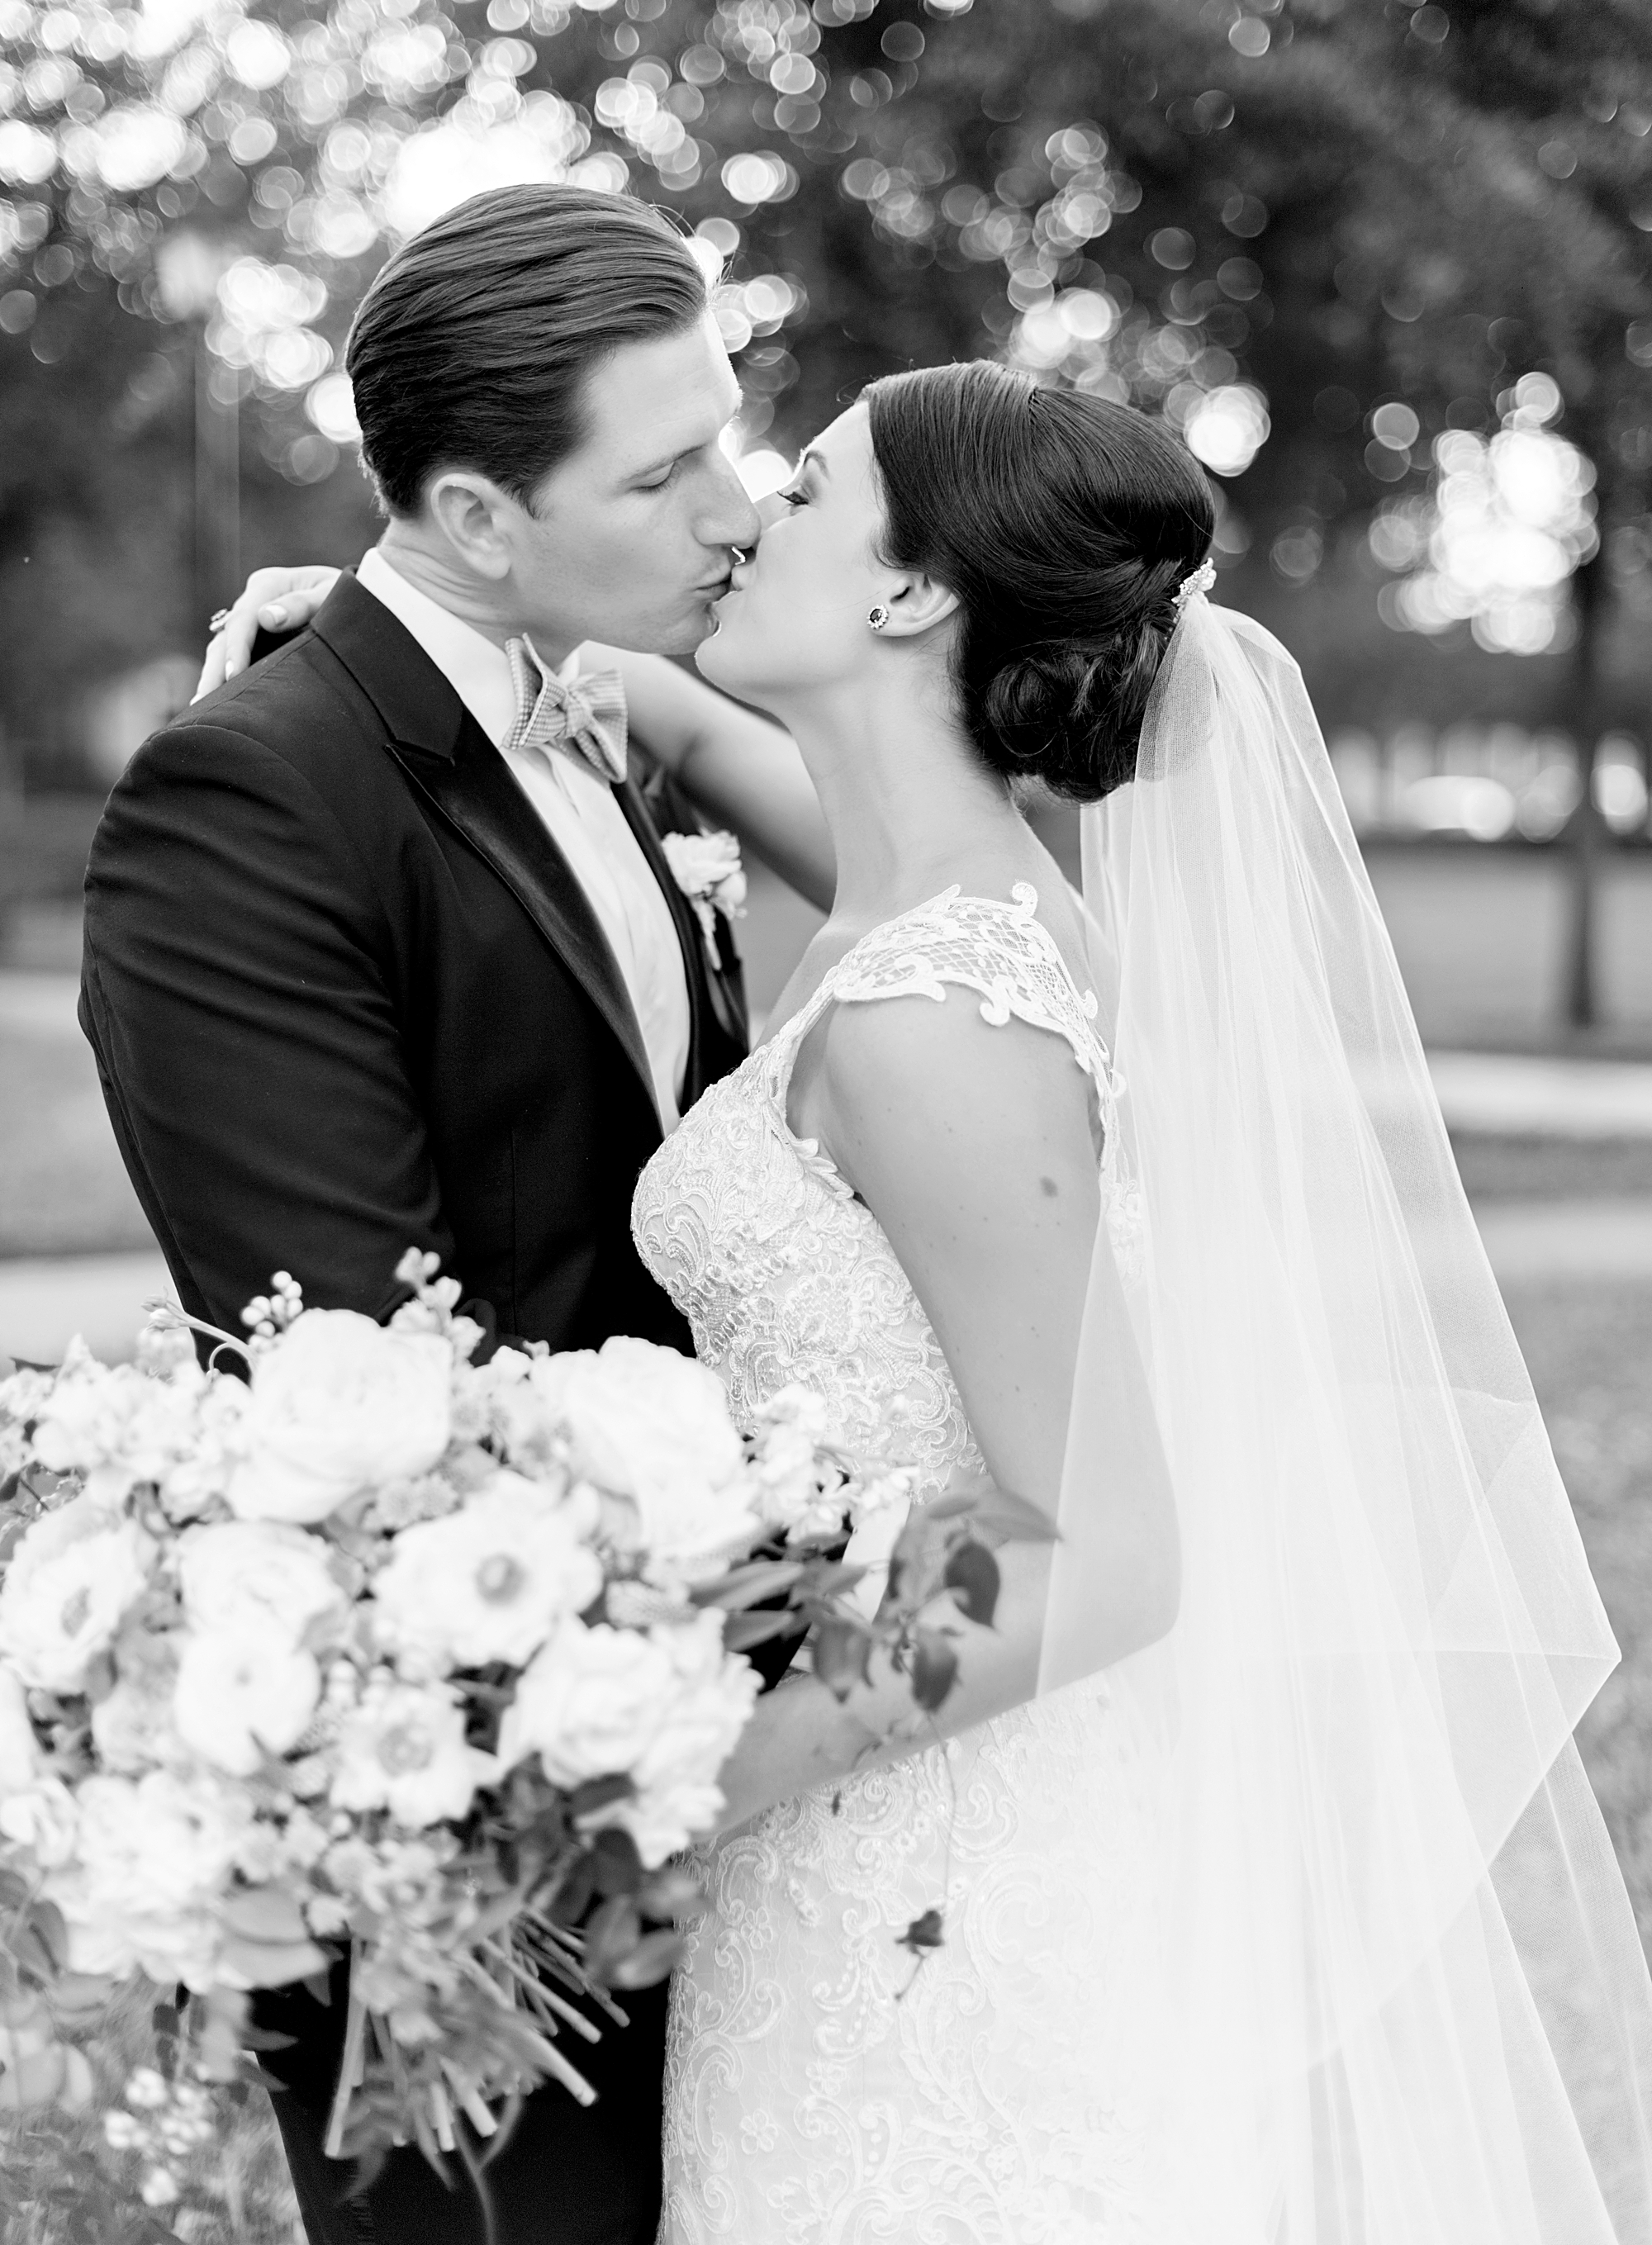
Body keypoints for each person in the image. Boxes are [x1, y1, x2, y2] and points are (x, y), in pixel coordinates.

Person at [204, 355, 1652, 2232]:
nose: (747, 512)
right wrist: (423, 629)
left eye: (801, 485)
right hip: (910, 1830)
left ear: (905, 596)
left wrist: (656, 1803)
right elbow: (766, 779)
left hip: (944, 1882)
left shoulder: (930, 1017)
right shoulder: (942, 915)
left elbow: (1108, 1555)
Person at [81, 183, 833, 2245]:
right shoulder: (253, 793)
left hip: (723, 1784)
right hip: (481, 1842)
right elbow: (357, 1360)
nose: (736, 513)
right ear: (481, 517)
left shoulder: (601, 713)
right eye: (665, 475)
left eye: (728, 439)